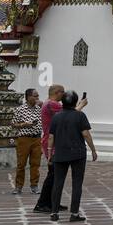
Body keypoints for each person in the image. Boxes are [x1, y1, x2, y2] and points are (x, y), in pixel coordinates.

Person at [34, 85, 89, 216]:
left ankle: (53, 203)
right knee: (53, 176)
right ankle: (42, 203)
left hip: (55, 142)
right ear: (57, 93)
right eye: (63, 93)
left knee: (54, 176)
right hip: (53, 144)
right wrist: (81, 105)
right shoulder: (52, 104)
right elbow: (71, 114)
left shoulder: (48, 103)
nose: (64, 96)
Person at [46, 90, 97, 222]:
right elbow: (86, 134)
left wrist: (50, 152)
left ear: (62, 102)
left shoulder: (56, 117)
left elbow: (51, 137)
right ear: (76, 102)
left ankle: (54, 212)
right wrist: (93, 149)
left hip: (60, 153)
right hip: (77, 153)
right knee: (77, 184)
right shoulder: (80, 116)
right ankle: (74, 213)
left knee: (58, 183)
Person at [10, 88, 43, 194]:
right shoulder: (20, 109)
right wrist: (24, 124)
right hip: (24, 138)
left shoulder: (39, 108)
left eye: (38, 96)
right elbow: (13, 124)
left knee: (35, 163)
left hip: (37, 138)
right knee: (21, 163)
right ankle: (18, 186)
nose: (37, 98)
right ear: (28, 97)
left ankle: (34, 185)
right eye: (35, 96)